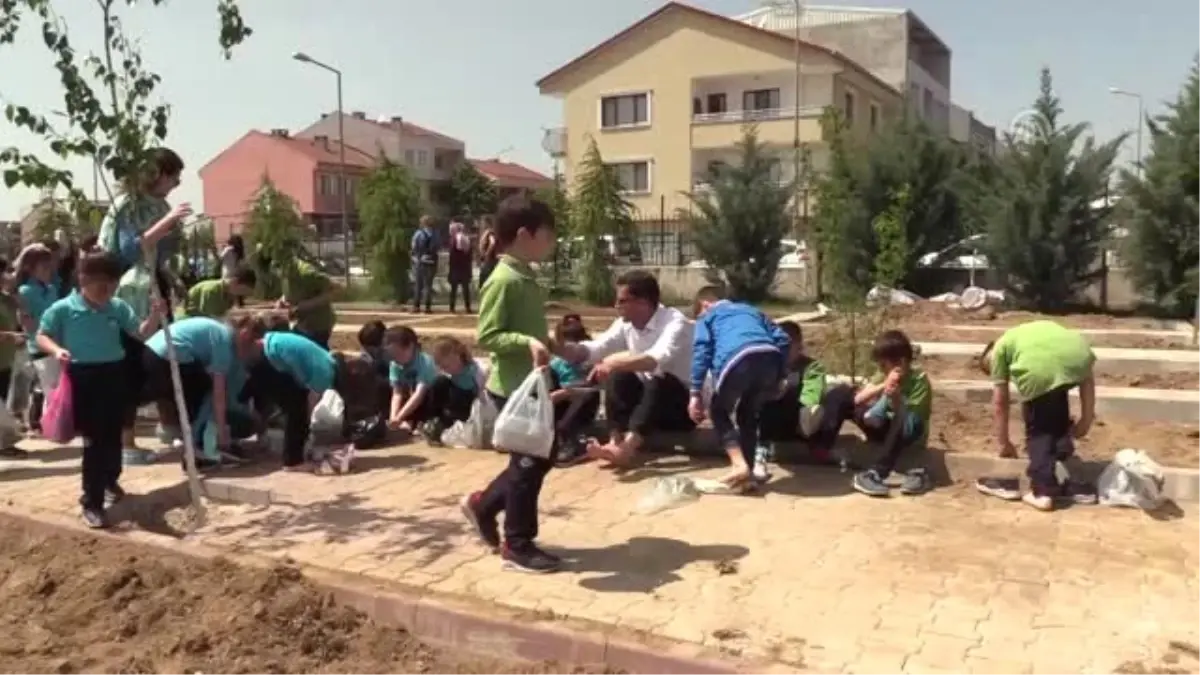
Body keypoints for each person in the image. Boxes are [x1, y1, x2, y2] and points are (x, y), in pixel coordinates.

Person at [459, 194, 560, 573]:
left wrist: (551, 343)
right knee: (528, 465)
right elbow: (488, 335)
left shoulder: (525, 275)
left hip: (531, 385)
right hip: (513, 387)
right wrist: (527, 342)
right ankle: (516, 544)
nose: (551, 244)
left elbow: (524, 328)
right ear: (524, 235)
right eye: (547, 236)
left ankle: (483, 505)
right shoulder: (503, 279)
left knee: (540, 457)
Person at [35, 252, 163, 528]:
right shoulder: (63, 309)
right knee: (93, 441)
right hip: (83, 377)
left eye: (111, 286)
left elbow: (140, 332)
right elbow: (41, 335)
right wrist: (57, 350)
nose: (106, 292)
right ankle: (91, 502)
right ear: (83, 280)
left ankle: (109, 480)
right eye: (100, 286)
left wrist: (154, 315)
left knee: (113, 434)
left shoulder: (116, 307)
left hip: (115, 374)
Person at [557, 270, 694, 468]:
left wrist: (612, 362)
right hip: (647, 407)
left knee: (658, 380)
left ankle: (627, 450)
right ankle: (615, 442)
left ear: (643, 302)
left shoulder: (675, 322)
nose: (616, 306)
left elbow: (655, 359)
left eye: (622, 301)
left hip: (681, 409)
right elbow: (596, 348)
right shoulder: (624, 325)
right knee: (619, 376)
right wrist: (559, 349)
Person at [975, 321, 1098, 511]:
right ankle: (1067, 464)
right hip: (1077, 352)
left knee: (1039, 432)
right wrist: (1085, 420)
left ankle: (1043, 491)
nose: (1005, 375)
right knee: (1054, 401)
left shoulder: (1000, 348)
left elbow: (1000, 403)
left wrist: (1003, 442)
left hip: (1040, 369)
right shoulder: (1030, 335)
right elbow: (1087, 380)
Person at [688, 286, 790, 492]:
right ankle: (748, 475)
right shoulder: (752, 310)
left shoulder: (707, 317)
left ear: (705, 304)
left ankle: (738, 464)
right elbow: (783, 340)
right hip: (769, 358)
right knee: (747, 413)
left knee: (718, 410)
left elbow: (702, 351)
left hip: (737, 360)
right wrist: (781, 375)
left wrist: (695, 392)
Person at [240, 329, 378, 472]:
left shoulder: (328, 359)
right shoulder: (325, 374)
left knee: (278, 401)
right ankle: (293, 462)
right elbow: (309, 404)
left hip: (269, 350)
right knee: (296, 409)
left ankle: (263, 436)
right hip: (268, 358)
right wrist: (306, 431)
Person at [141, 315, 254, 470]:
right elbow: (218, 393)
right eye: (248, 347)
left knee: (195, 394)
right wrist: (221, 431)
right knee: (205, 392)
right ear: (244, 336)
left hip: (152, 352)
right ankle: (202, 450)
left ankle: (194, 448)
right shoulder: (224, 341)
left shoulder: (218, 330)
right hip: (168, 358)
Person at [835, 330, 933, 498]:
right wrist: (883, 386)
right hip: (884, 427)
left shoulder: (919, 381)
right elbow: (858, 399)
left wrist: (895, 396)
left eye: (883, 364)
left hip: (907, 433)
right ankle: (822, 446)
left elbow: (906, 421)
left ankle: (876, 472)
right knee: (844, 397)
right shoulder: (883, 375)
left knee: (904, 418)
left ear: (901, 362)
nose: (880, 368)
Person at [97, 147, 190, 319]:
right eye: (174, 180)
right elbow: (130, 250)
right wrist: (166, 222)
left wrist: (172, 277)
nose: (175, 186)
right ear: (158, 175)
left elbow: (160, 255)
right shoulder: (129, 205)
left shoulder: (162, 207)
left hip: (154, 284)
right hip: (126, 285)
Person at [754, 320, 832, 480]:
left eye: (789, 346)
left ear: (799, 346)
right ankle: (759, 454)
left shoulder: (812, 366)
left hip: (799, 421)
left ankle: (807, 425)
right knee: (768, 398)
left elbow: (813, 391)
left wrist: (806, 406)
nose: (785, 351)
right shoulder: (767, 366)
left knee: (791, 387)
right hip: (770, 420)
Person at [14, 244, 58, 434]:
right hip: (37, 343)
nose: (49, 271)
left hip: (55, 341)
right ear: (30, 269)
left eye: (50, 266)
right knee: (45, 385)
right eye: (44, 267)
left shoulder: (52, 289)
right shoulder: (25, 291)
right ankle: (38, 422)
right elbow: (25, 320)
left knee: (50, 384)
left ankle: (45, 421)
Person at [548, 317, 600, 467]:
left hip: (583, 403)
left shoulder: (590, 361)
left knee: (587, 394)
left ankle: (574, 444)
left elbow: (592, 384)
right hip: (563, 404)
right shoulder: (557, 362)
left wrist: (566, 392)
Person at [423, 336, 486, 444]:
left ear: (457, 356)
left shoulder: (477, 371)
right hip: (451, 411)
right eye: (441, 367)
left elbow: (483, 399)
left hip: (468, 411)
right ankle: (435, 421)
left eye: (446, 366)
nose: (444, 370)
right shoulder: (448, 375)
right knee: (438, 382)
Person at [0, 260, 27, 458]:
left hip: (5, 360)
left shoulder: (7, 299)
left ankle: (4, 445)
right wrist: (10, 336)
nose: (6, 275)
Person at [276, 260, 336, 349]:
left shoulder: (307, 273)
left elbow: (336, 289)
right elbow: (291, 292)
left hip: (318, 325)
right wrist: (283, 300)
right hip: (301, 324)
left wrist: (308, 304)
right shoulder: (282, 274)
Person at [182, 266, 256, 319]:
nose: (242, 295)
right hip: (187, 319)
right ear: (235, 282)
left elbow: (223, 315)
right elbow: (211, 319)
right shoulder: (211, 290)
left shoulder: (229, 296)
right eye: (243, 291)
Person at [411, 215, 438, 314]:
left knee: (418, 285)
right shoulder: (435, 234)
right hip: (432, 261)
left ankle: (416, 306)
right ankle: (427, 307)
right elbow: (437, 247)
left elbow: (414, 246)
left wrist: (417, 257)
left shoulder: (418, 234)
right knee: (428, 285)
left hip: (421, 261)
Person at [446, 219, 474, 314]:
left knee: (453, 289)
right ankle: (467, 307)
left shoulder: (454, 239)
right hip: (465, 267)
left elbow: (453, 255)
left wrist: (450, 268)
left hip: (456, 267)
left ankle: (452, 307)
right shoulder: (467, 239)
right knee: (465, 289)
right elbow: (469, 255)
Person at [220, 235, 246, 307]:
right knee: (236, 288)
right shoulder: (238, 250)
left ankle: (226, 303)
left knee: (225, 288)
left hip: (227, 271)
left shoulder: (228, 249)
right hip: (236, 271)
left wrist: (224, 249)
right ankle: (239, 303)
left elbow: (221, 257)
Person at [477, 215, 498, 290]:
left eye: (483, 223)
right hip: (486, 260)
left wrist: (487, 254)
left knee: (484, 280)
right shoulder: (487, 232)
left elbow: (492, 242)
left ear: (487, 223)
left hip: (489, 261)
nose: (482, 224)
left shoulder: (490, 232)